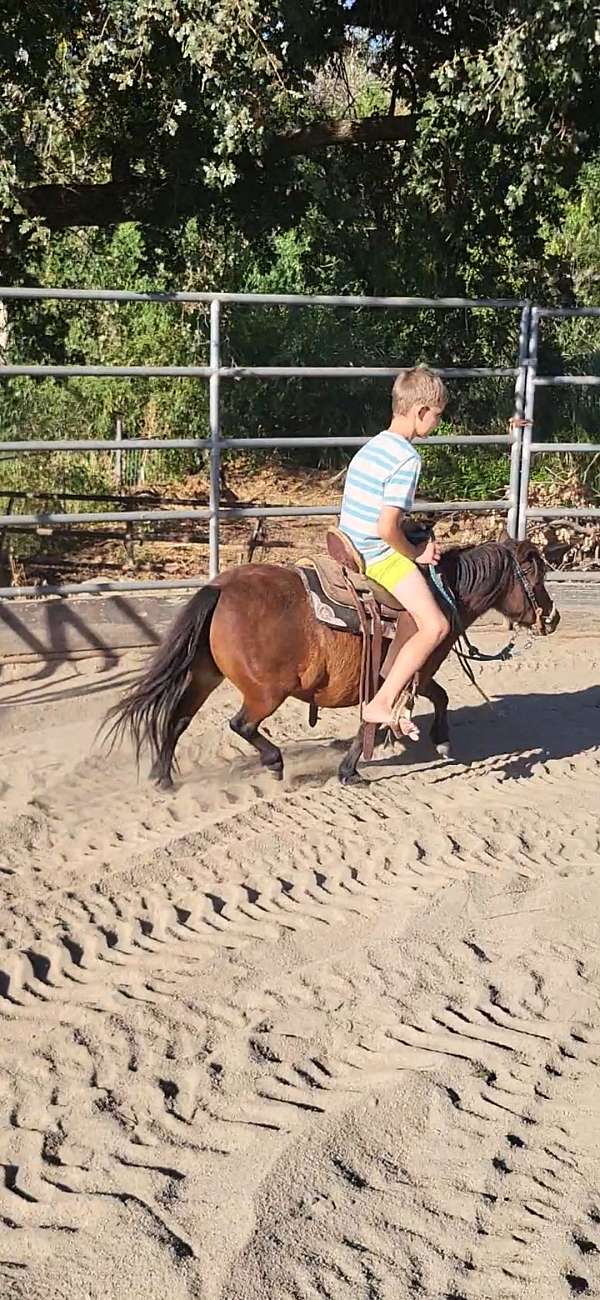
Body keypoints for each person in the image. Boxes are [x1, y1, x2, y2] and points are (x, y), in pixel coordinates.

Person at [339, 365, 450, 739]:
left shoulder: (374, 445)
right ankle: (383, 701)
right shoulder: (407, 458)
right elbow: (386, 528)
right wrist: (416, 553)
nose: (436, 422)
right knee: (436, 625)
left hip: (349, 542)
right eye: (437, 415)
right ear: (421, 411)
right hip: (377, 555)